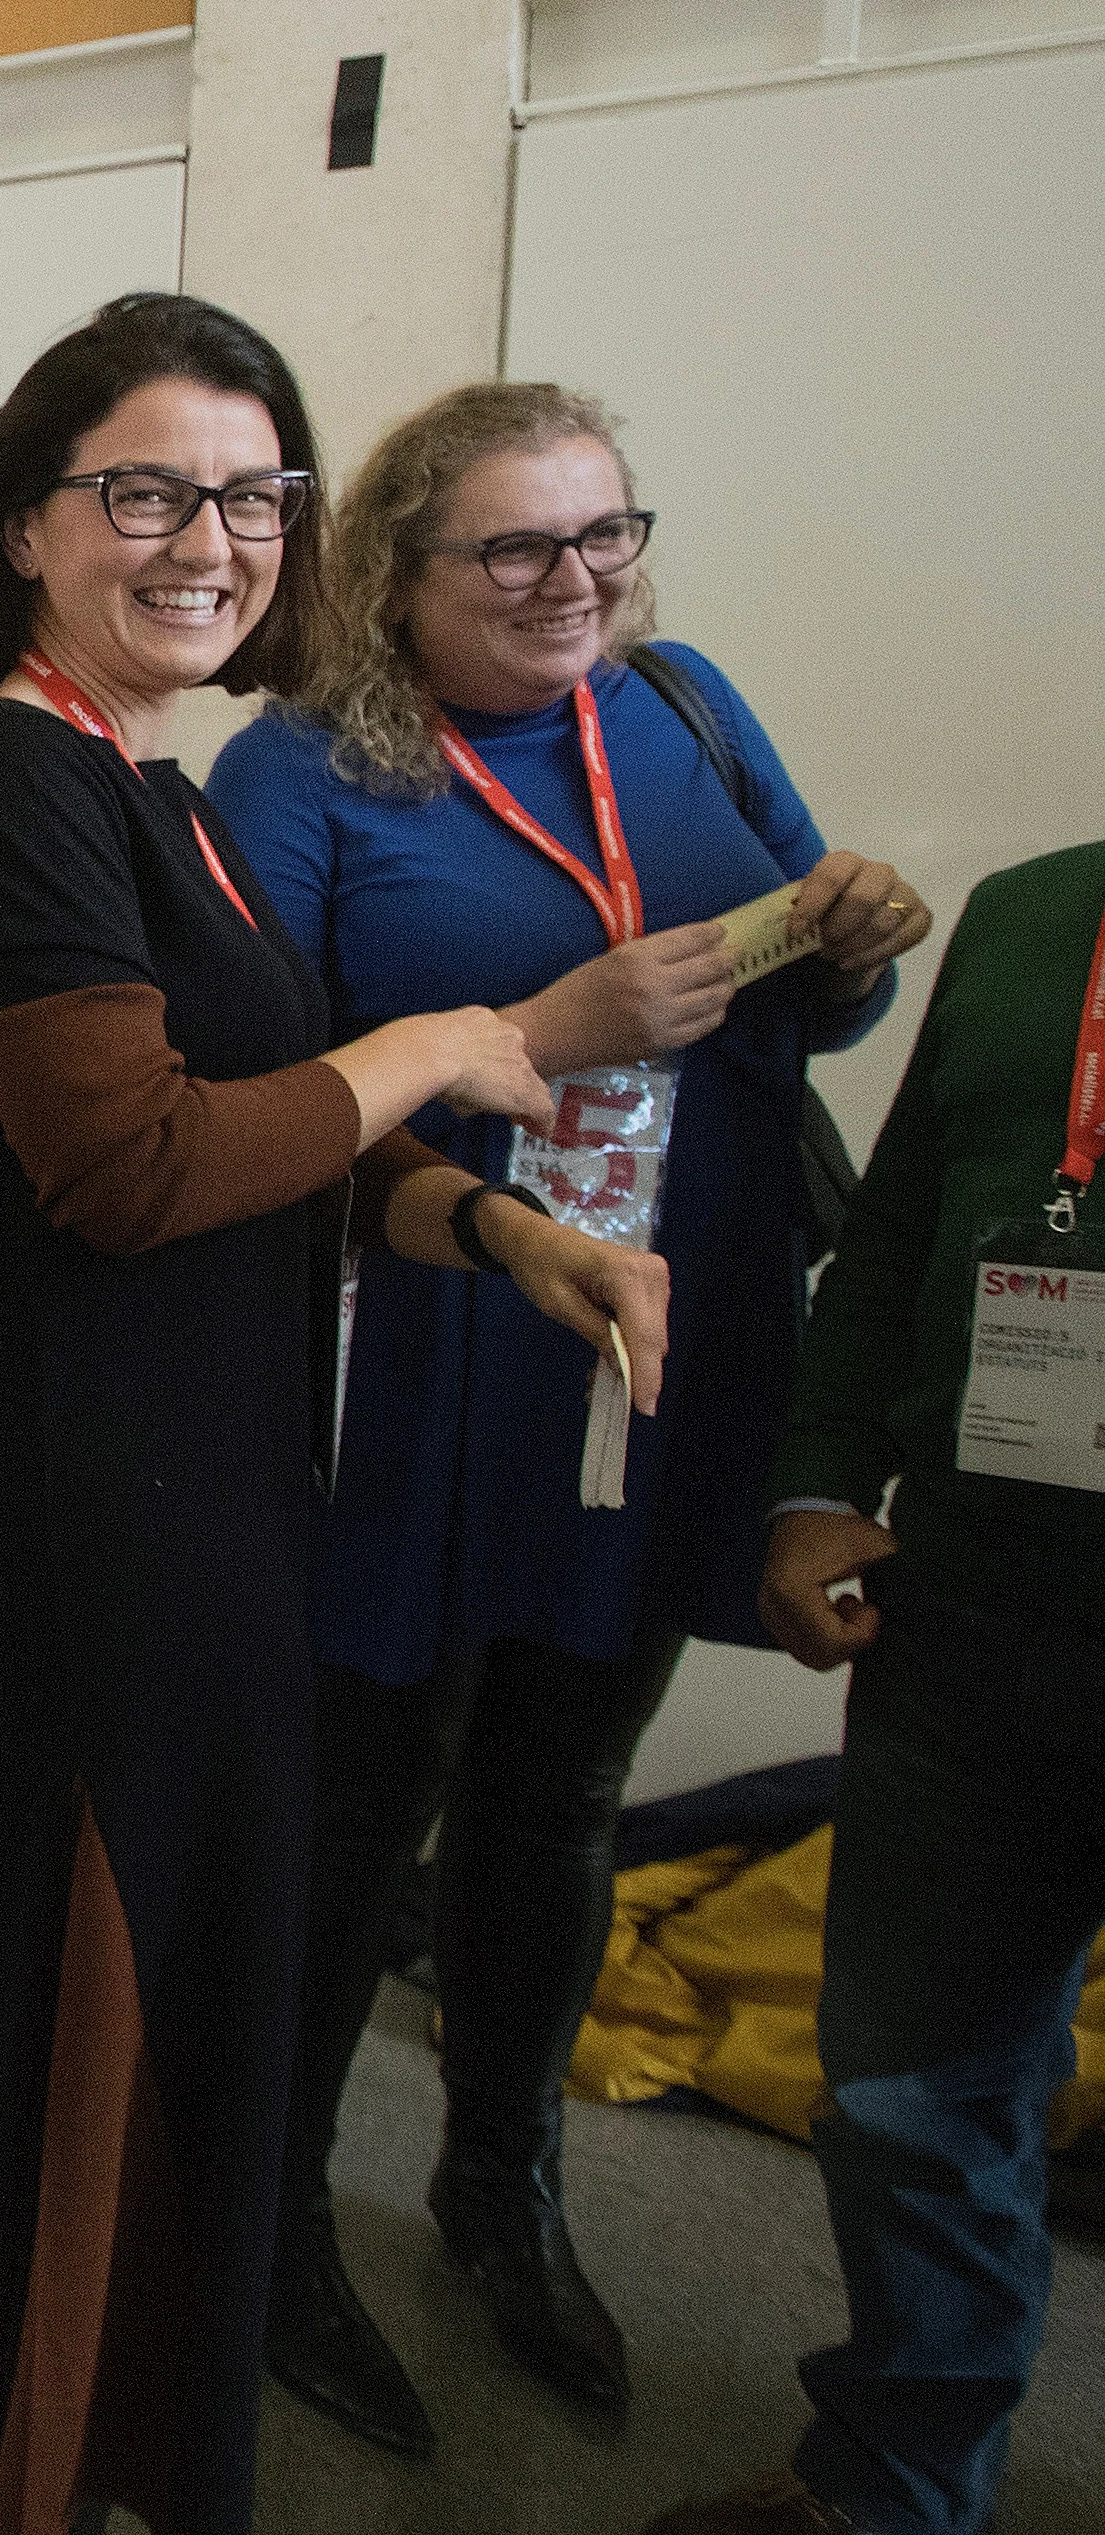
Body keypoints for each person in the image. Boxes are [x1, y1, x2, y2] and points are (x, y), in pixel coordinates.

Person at [0, 295, 668, 2535]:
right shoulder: (3, 776)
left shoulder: (146, 781)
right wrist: (449, 1030)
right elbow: (134, 1160)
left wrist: (490, 1230)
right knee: (73, 2098)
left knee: (168, 2064)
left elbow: (278, 1121)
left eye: (255, 493)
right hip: (80, 1566)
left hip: (202, 1534)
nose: (214, 537)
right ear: (33, 524)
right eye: (148, 490)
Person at [209, 383, 929, 2458]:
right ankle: (270, 2228)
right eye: (517, 551)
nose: (578, 583)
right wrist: (550, 1026)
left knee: (565, 1783)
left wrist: (851, 944)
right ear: (397, 576)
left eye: (607, 534)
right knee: (365, 1804)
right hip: (429, 1341)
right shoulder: (305, 774)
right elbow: (266, 1097)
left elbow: (798, 990)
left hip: (662, 1328)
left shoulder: (686, 706)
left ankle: (500, 2187)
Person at [636, 836, 1105, 2535]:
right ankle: (893, 2485)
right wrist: (816, 1478)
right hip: (974, 1607)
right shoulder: (1040, 914)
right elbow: (901, 1222)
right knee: (916, 2092)